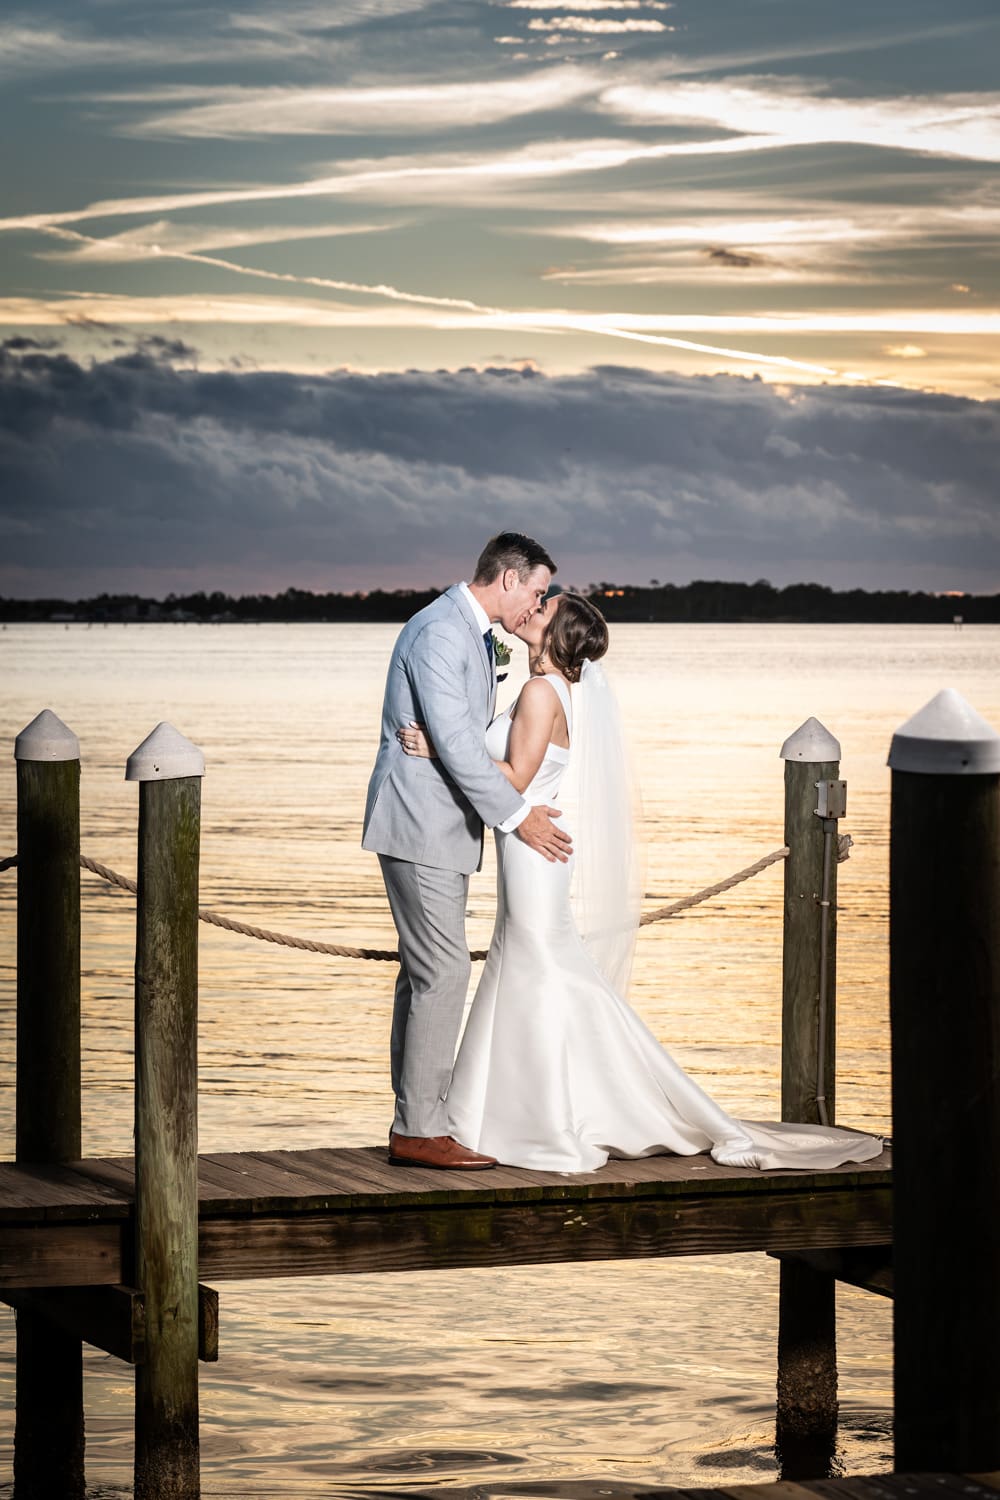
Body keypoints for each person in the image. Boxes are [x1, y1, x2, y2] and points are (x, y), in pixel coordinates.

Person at [398, 592, 883, 1174]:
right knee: (537, 962)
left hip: (534, 847)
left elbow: (515, 777)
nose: (532, 612)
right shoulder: (558, 693)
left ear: (558, 637)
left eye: (544, 611)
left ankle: (544, 1116)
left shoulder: (538, 691)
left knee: (538, 964)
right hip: (533, 846)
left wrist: (437, 751)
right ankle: (524, 1108)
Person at [362, 532, 573, 1170]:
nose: (536, 605)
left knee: (424, 973)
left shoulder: (466, 631)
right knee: (444, 971)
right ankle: (420, 1130)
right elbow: (456, 744)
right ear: (508, 579)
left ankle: (414, 1119)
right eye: (536, 591)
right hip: (421, 825)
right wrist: (519, 819)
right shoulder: (446, 632)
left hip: (438, 826)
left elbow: (460, 739)